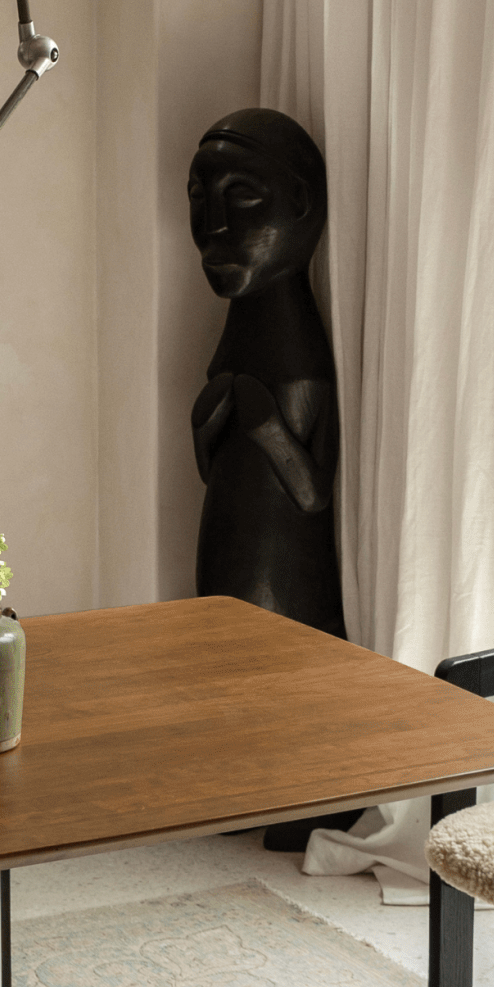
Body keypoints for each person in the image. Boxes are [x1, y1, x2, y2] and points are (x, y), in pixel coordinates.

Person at [188, 108, 344, 638]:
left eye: (242, 195)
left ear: (299, 204)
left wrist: (271, 431)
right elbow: (214, 471)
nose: (213, 225)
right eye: (198, 197)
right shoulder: (243, 335)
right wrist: (207, 426)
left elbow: (313, 493)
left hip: (289, 602)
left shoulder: (299, 352)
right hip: (225, 583)